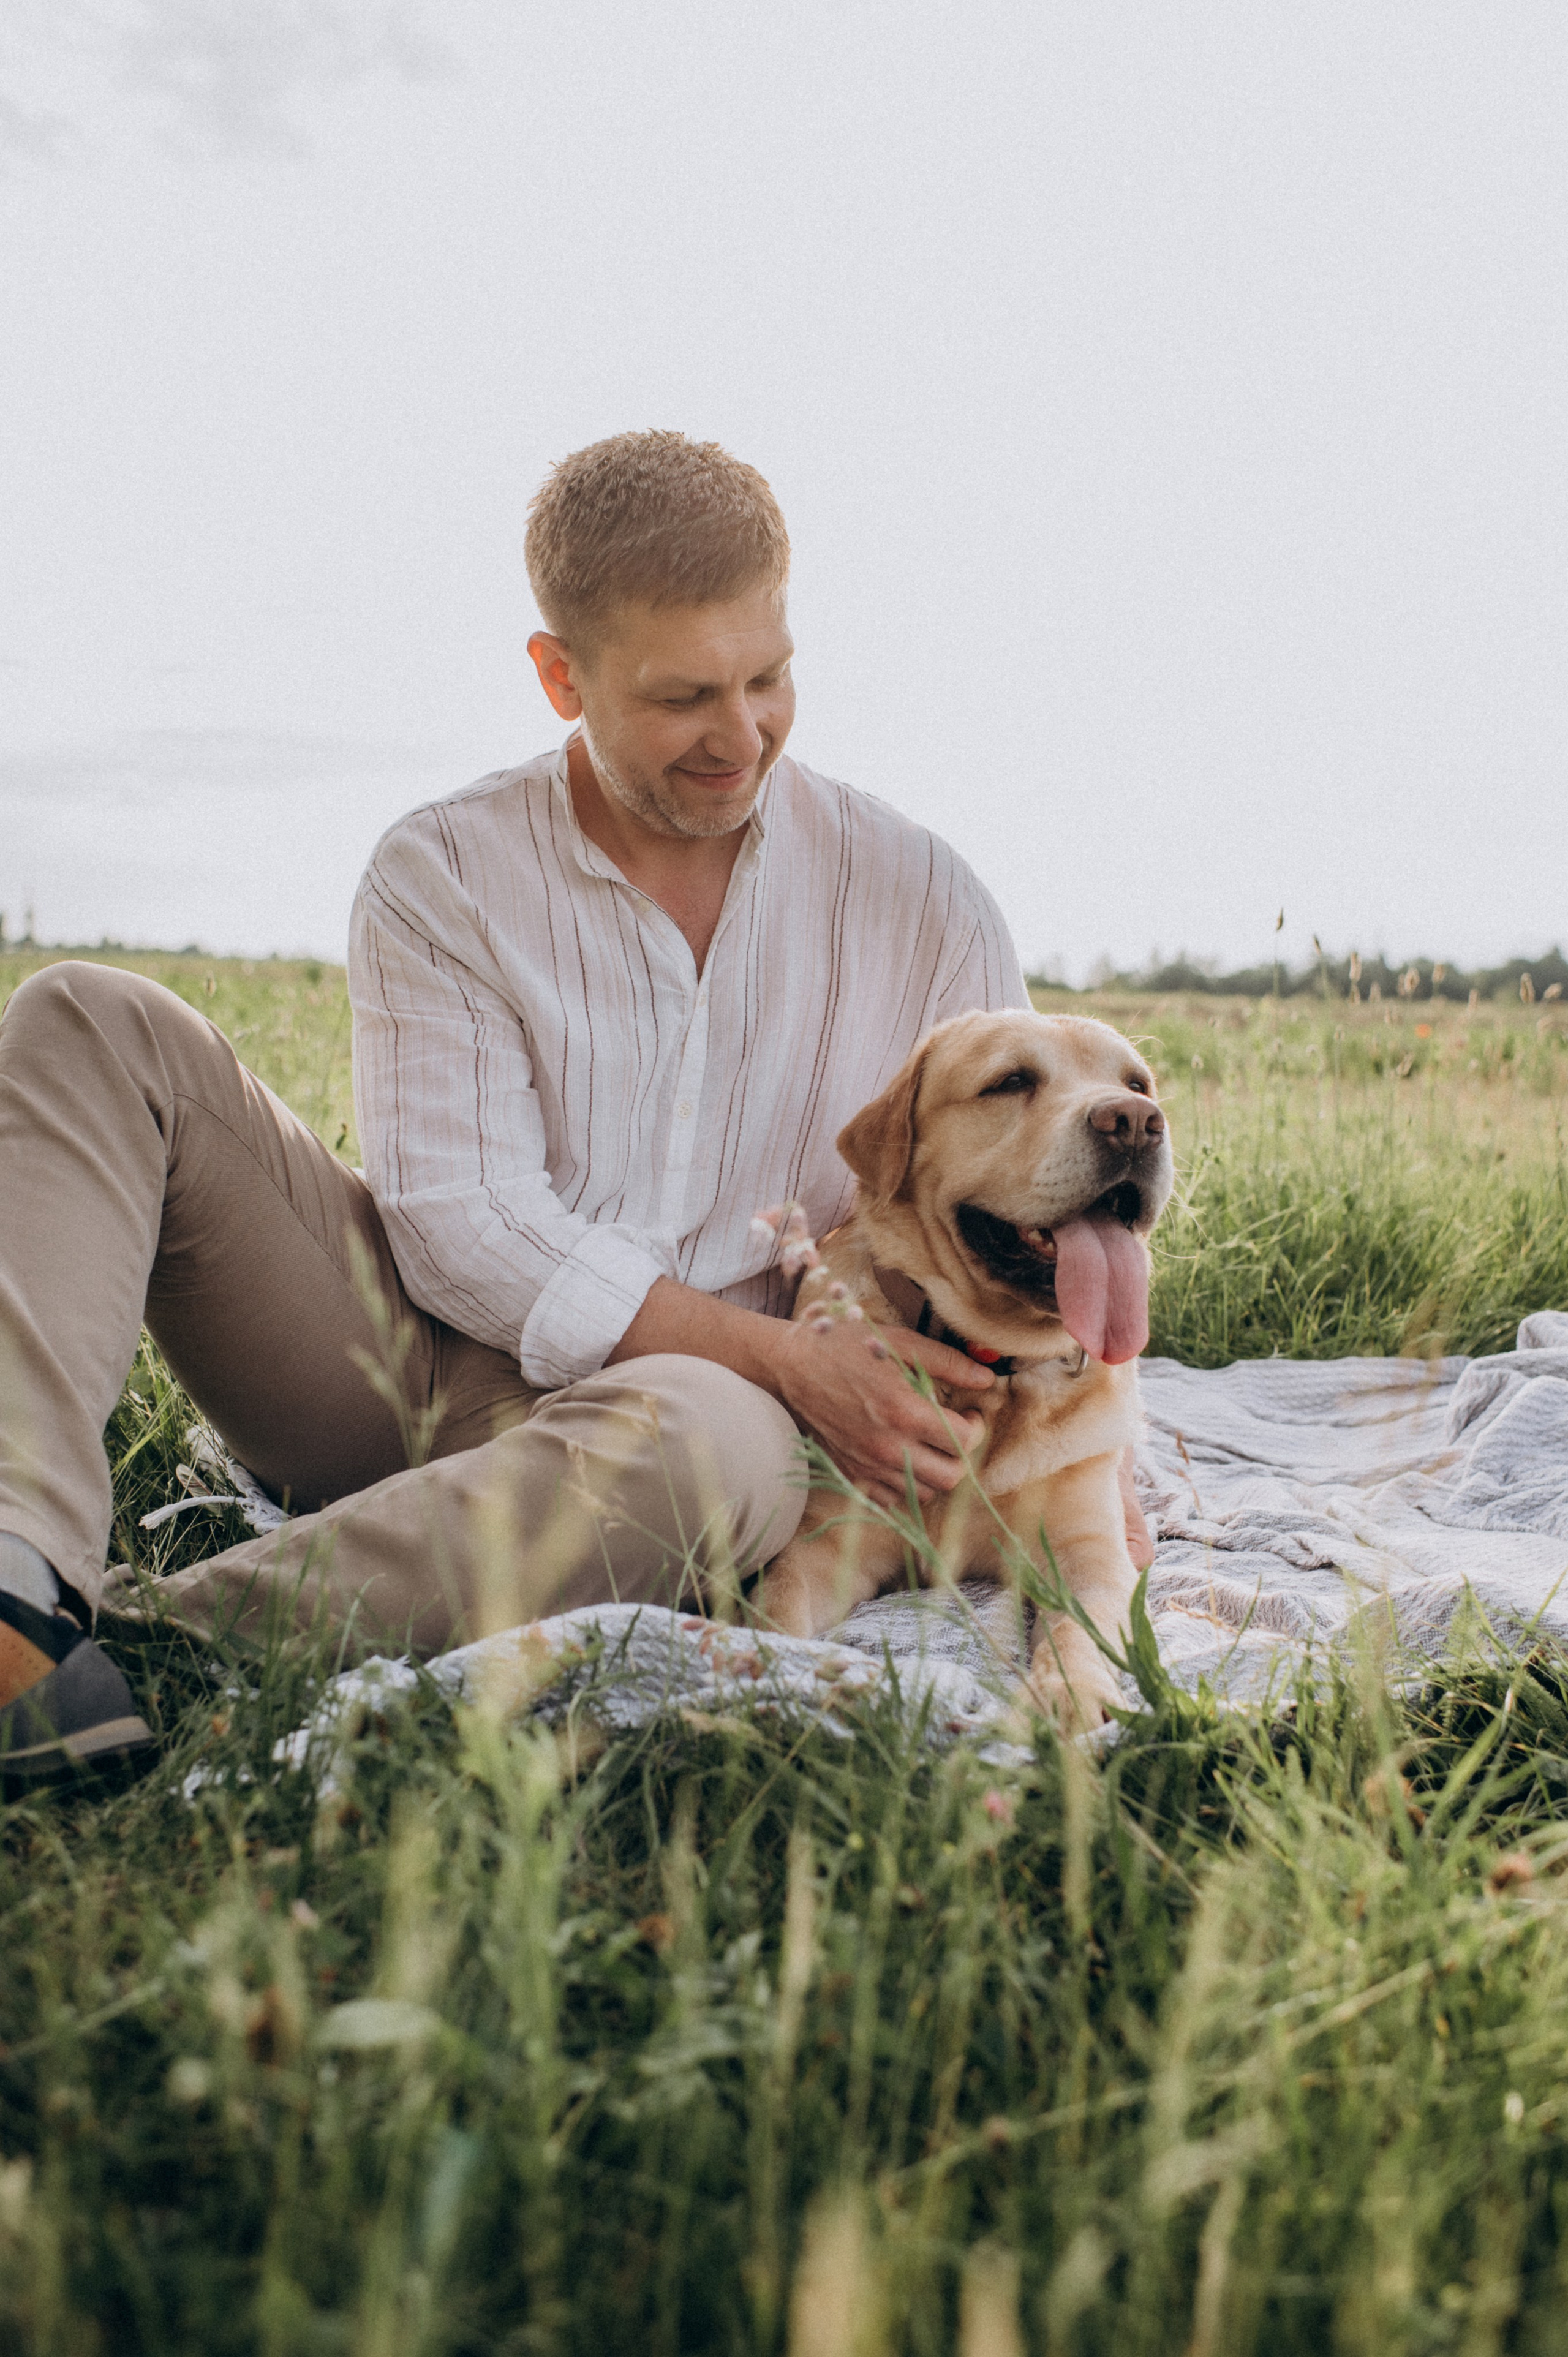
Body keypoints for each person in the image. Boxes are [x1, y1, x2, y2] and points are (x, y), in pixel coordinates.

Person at [0, 429, 1151, 1786]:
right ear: (560, 675)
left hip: (710, 1430)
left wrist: (1042, 1428)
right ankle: (16, 1584)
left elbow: (1007, 1192)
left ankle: (154, 1642)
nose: (741, 736)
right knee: (88, 1015)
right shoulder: (444, 869)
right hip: (400, 1359)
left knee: (702, 1441)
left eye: (768, 677)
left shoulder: (921, 898)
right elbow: (455, 1221)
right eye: (682, 698)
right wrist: (780, 1356)